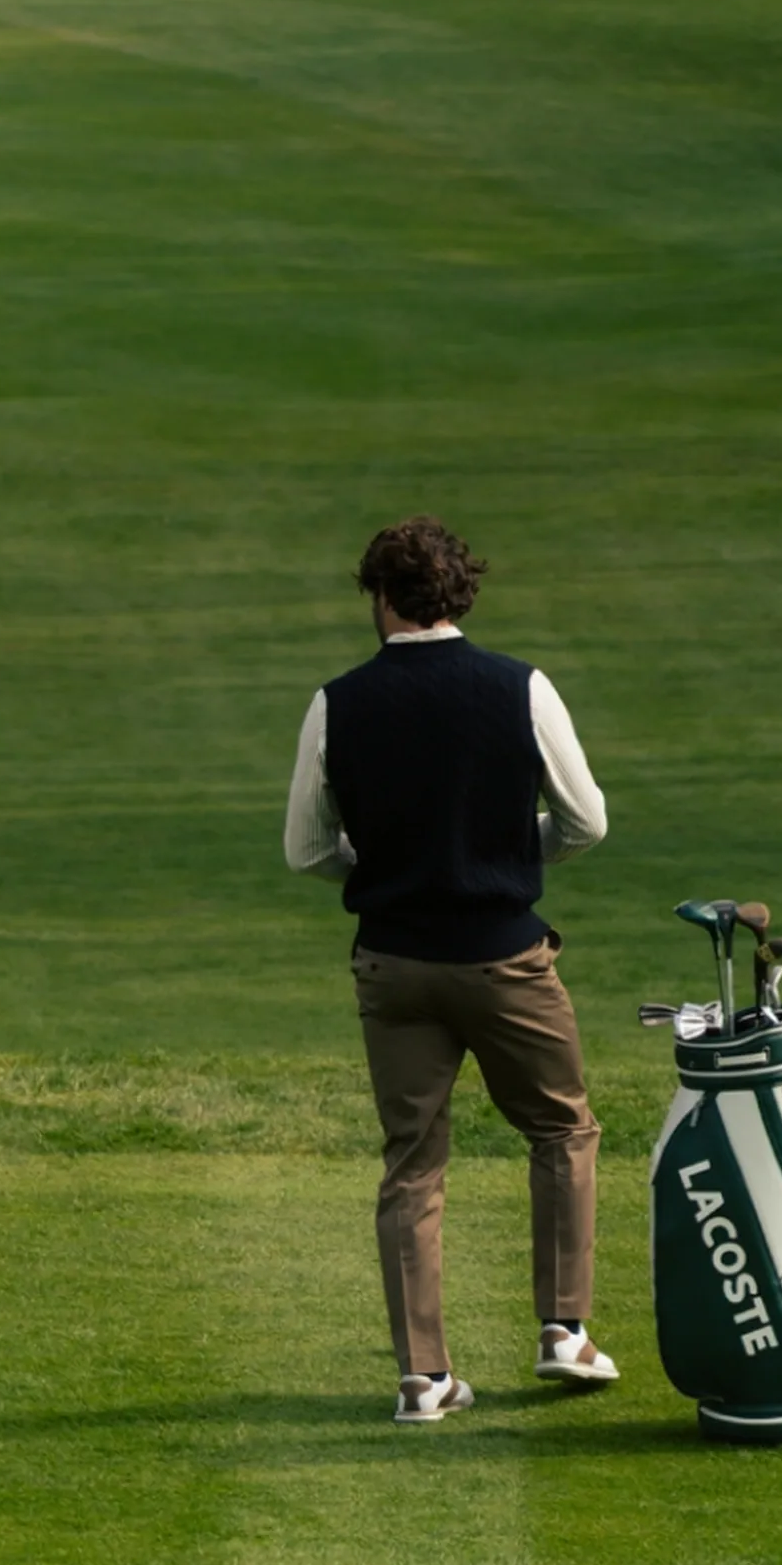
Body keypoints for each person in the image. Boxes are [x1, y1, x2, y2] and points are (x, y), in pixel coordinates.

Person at [284, 519, 616, 1424]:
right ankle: (563, 1332)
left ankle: (423, 1380)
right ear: (460, 592)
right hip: (505, 959)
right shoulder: (521, 687)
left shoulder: (336, 703)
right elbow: (586, 823)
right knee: (562, 1131)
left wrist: (392, 869)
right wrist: (504, 854)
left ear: (381, 596)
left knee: (413, 1163)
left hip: (393, 965)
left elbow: (306, 850)